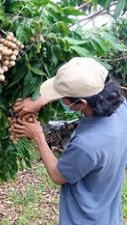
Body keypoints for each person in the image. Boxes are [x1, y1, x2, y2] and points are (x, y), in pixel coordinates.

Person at [12, 57, 127, 225]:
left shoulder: (87, 145)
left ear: (81, 103)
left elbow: (58, 175)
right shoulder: (121, 108)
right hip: (108, 216)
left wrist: (38, 135)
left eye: (62, 97)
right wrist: (43, 99)